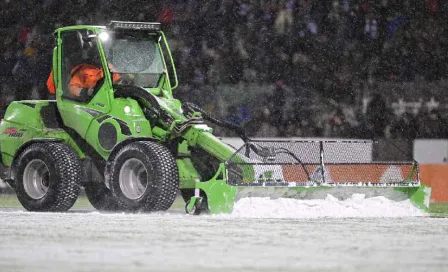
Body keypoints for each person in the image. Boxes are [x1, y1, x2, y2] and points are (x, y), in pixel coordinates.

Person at [46, 63, 120, 98]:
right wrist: (85, 92)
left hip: (107, 98)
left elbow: (118, 81)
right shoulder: (83, 71)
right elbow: (73, 87)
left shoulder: (109, 68)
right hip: (88, 101)